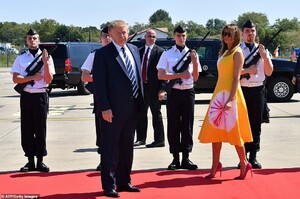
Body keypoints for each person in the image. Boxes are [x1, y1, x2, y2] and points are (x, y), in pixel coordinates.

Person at [93, 20, 143, 198]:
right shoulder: (103, 54)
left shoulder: (134, 50)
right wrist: (104, 107)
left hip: (133, 108)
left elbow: (137, 77)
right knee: (110, 148)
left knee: (127, 146)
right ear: (110, 34)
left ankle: (124, 181)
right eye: (119, 33)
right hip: (112, 111)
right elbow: (99, 84)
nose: (123, 36)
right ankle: (109, 184)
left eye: (125, 32)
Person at [198, 24, 253, 179]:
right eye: (224, 34)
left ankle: (244, 162)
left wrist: (230, 99)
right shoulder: (223, 51)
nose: (226, 36)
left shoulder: (238, 53)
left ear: (235, 36)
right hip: (218, 94)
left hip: (231, 96)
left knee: (235, 132)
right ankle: (215, 165)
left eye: (229, 34)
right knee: (215, 132)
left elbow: (236, 78)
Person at [10, 28, 55, 172]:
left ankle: (40, 161)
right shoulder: (21, 58)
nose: (32, 41)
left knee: (40, 128)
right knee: (27, 128)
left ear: (39, 40)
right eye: (30, 38)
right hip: (27, 96)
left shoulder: (46, 57)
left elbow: (48, 80)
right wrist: (32, 78)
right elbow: (15, 79)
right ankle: (30, 161)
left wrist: (45, 64)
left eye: (35, 38)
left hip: (40, 95)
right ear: (26, 40)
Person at [157, 25, 200, 170]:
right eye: (179, 36)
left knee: (187, 125)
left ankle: (186, 158)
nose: (181, 38)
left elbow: (195, 77)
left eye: (184, 36)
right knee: (174, 125)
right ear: (174, 37)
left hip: (188, 92)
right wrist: (179, 75)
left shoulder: (192, 54)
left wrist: (194, 61)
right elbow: (161, 75)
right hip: (174, 93)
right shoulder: (167, 54)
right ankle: (175, 158)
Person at [240, 20, 274, 169]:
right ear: (242, 33)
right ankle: (243, 157)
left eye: (253, 31)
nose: (250, 33)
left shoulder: (262, 50)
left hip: (258, 90)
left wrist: (264, 57)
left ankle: (253, 156)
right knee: (242, 124)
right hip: (242, 90)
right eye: (247, 31)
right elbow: (232, 73)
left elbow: (269, 72)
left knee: (256, 124)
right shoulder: (237, 50)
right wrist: (248, 71)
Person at [81, 26, 111, 171]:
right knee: (102, 132)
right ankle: (103, 160)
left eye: (109, 35)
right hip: (102, 100)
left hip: (119, 99)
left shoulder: (121, 54)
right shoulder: (94, 55)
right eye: (104, 36)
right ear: (100, 39)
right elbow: (85, 76)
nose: (107, 38)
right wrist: (101, 78)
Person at [134, 29, 165, 148]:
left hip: (155, 88)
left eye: (153, 36)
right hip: (141, 87)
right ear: (145, 37)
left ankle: (159, 140)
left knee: (156, 113)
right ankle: (141, 138)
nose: (151, 38)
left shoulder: (160, 52)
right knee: (141, 113)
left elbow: (164, 71)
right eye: (149, 36)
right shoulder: (139, 51)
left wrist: (162, 89)